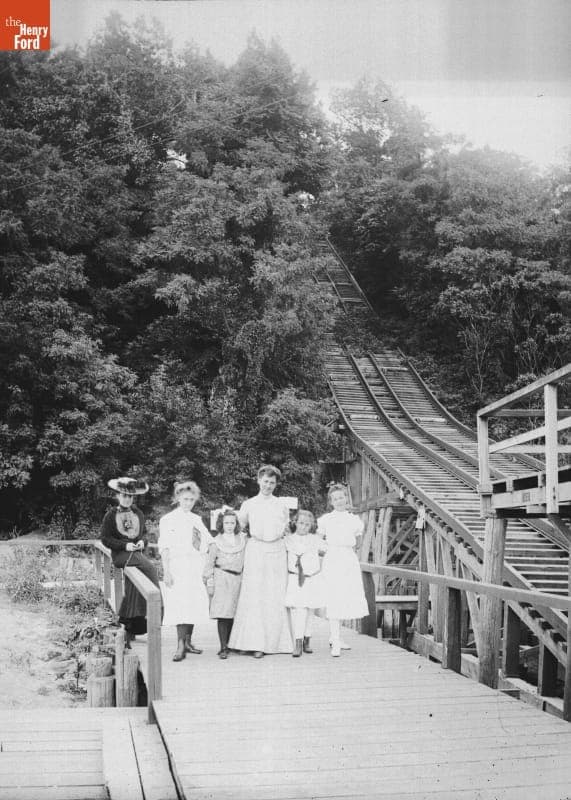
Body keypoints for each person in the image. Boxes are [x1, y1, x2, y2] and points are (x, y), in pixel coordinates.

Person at [228, 465, 292, 658]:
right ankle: (254, 643)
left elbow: (287, 529)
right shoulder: (249, 504)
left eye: (272, 483)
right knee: (255, 595)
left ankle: (273, 644)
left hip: (277, 551)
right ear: (258, 480)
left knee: (274, 594)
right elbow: (238, 527)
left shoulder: (281, 505)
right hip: (256, 549)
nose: (268, 485)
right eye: (265, 481)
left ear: (276, 484)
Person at [100, 477, 160, 647]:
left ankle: (130, 627)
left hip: (136, 555)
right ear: (118, 496)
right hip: (121, 555)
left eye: (130, 496)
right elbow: (105, 539)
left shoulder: (138, 513)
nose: (127, 499)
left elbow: (143, 535)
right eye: (123, 495)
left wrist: (143, 542)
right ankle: (155, 610)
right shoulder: (110, 515)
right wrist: (124, 545)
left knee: (134, 587)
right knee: (151, 571)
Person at [158, 480, 214, 662]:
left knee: (193, 604)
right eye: (185, 499)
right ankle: (180, 644)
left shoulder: (196, 519)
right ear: (177, 498)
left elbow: (210, 541)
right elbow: (164, 547)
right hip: (178, 566)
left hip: (195, 566)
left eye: (191, 499)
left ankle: (188, 642)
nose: (188, 503)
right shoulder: (167, 520)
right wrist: (166, 571)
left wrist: (208, 566)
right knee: (180, 604)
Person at [317, 483, 368, 657]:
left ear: (346, 498)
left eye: (342, 497)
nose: (339, 501)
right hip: (333, 559)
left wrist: (351, 549)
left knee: (346, 597)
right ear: (331, 501)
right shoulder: (326, 519)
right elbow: (319, 539)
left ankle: (336, 637)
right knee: (334, 598)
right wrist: (327, 549)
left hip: (348, 559)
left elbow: (359, 541)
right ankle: (336, 641)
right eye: (335, 498)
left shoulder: (354, 520)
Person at [202, 508, 246, 659]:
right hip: (222, 578)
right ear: (221, 523)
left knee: (235, 612)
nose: (229, 525)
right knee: (223, 613)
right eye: (226, 522)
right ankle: (223, 646)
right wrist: (209, 582)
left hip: (238, 579)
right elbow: (209, 565)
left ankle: (232, 644)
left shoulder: (242, 539)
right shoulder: (216, 542)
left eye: (232, 522)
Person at [284, 510, 326, 658]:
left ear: (311, 526)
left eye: (307, 524)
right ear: (295, 522)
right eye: (301, 523)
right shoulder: (288, 540)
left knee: (310, 610)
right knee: (300, 610)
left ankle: (308, 639)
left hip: (312, 578)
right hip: (296, 579)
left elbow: (328, 550)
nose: (304, 527)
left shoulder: (315, 540)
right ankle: (298, 642)